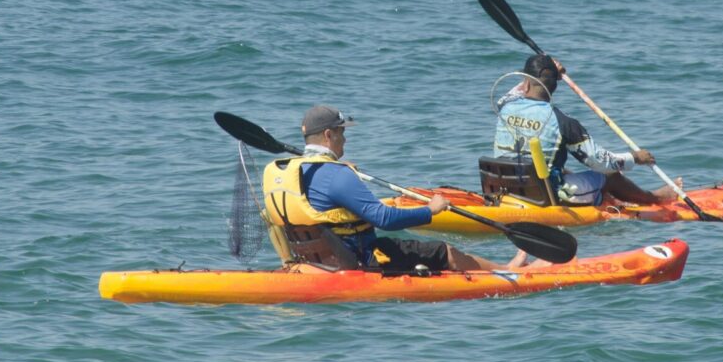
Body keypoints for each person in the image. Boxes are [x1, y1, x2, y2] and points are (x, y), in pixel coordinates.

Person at [263, 105, 528, 273]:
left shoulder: (292, 173)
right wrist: (430, 210)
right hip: (361, 260)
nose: (345, 138)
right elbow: (384, 219)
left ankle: (290, 267)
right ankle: (506, 269)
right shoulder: (337, 176)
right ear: (329, 136)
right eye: (342, 133)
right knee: (442, 251)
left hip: (314, 260)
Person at [493, 54, 681, 206]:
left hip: (505, 188)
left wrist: (547, 70)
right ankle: (655, 198)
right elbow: (600, 163)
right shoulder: (563, 122)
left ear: (525, 83)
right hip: (546, 197)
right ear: (554, 86)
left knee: (561, 169)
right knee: (610, 176)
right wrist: (636, 158)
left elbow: (518, 90)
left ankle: (605, 197)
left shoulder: (504, 105)